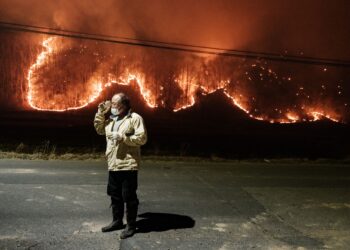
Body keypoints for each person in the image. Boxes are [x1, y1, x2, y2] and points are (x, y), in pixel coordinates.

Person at [94, 93, 147, 239]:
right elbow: (99, 129)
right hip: (113, 163)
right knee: (114, 195)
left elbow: (142, 138)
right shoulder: (111, 119)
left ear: (123, 105)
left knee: (129, 197)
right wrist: (100, 113)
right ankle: (117, 221)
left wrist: (124, 137)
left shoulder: (135, 118)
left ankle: (130, 226)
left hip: (128, 164)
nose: (111, 106)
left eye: (114, 103)